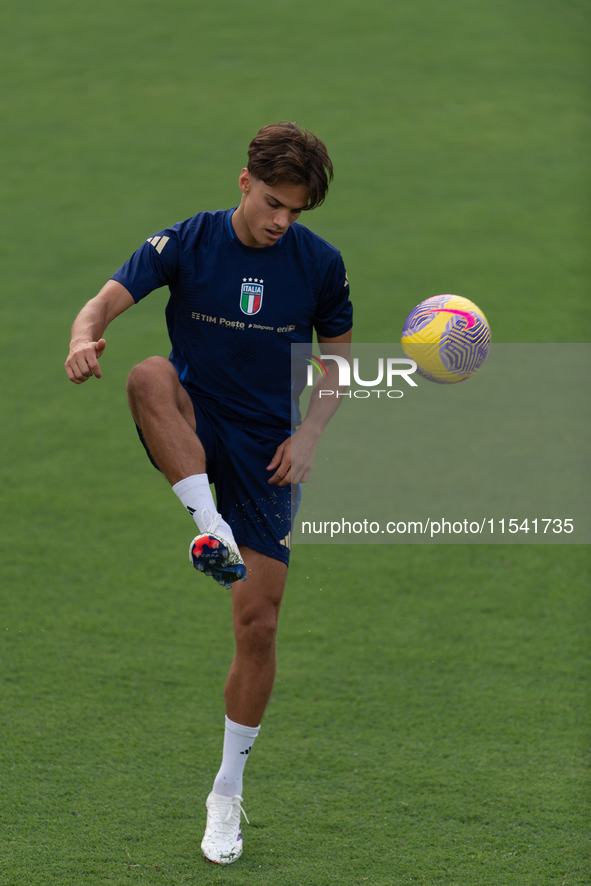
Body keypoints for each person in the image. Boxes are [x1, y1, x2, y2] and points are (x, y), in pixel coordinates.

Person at [64, 121, 352, 865]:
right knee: (146, 374)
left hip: (266, 452)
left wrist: (311, 435)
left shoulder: (319, 266)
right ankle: (207, 525)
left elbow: (337, 366)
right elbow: (99, 305)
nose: (282, 219)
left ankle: (225, 792)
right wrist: (82, 336)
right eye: (273, 202)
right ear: (244, 181)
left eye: (296, 210)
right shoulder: (184, 243)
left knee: (257, 625)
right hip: (191, 421)